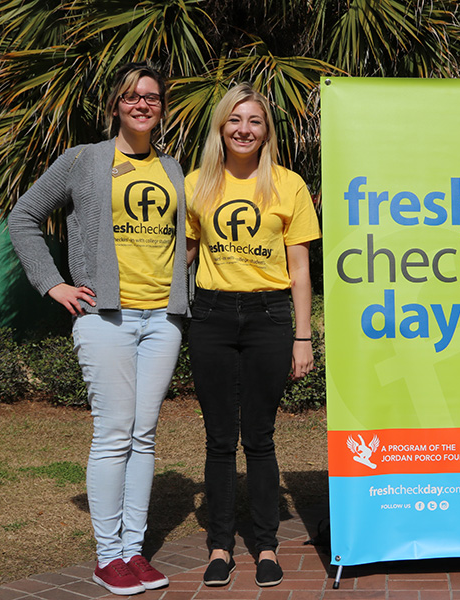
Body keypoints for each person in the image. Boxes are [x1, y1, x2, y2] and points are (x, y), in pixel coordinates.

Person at [9, 62, 187, 596]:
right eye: (132, 96)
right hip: (106, 318)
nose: (142, 104)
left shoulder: (174, 168)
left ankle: (134, 550)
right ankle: (108, 556)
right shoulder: (84, 160)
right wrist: (53, 284)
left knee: (144, 434)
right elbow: (23, 217)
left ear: (162, 107)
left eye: (151, 97)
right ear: (116, 104)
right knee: (113, 435)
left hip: (164, 319)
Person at [184, 83, 320, 588]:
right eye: (235, 120)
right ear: (221, 127)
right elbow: (184, 258)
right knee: (220, 440)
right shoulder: (196, 183)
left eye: (254, 122)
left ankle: (266, 545)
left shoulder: (288, 185)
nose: (244, 129)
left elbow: (301, 269)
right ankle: (220, 546)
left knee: (260, 439)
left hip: (268, 317)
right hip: (213, 317)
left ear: (266, 132)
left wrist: (302, 338)